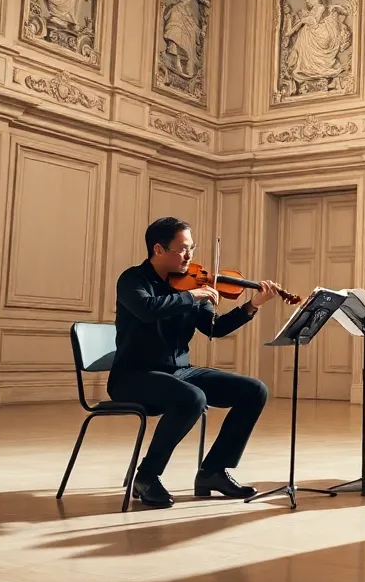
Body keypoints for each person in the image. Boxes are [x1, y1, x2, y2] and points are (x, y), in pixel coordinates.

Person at [109, 217, 280, 508]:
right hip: (134, 376)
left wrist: (252, 306)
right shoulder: (133, 280)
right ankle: (147, 476)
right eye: (182, 249)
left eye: (192, 248)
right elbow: (147, 310)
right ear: (159, 249)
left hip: (180, 371)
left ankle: (213, 471)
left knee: (254, 390)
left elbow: (215, 328)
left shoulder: (192, 284)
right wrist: (192, 296)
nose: (189, 256)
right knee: (192, 398)